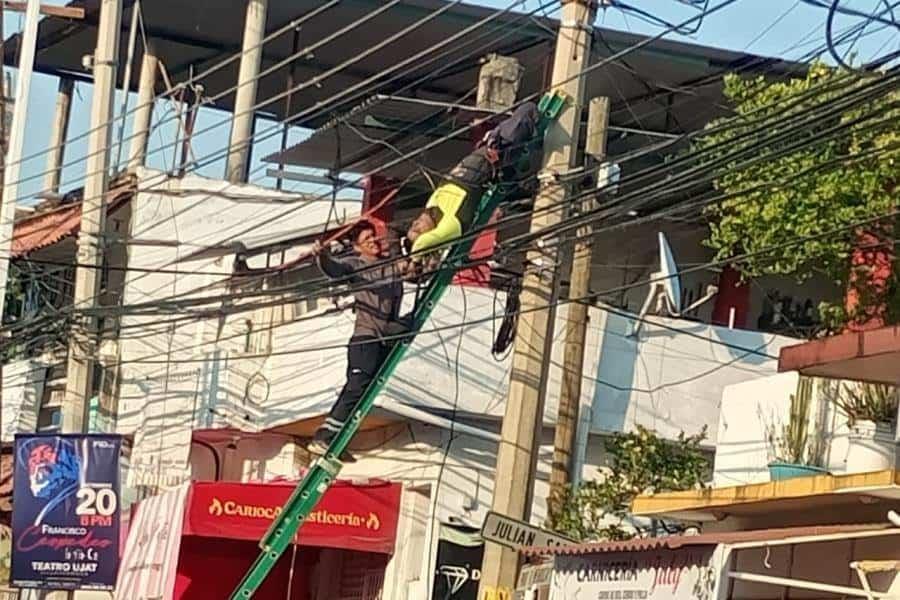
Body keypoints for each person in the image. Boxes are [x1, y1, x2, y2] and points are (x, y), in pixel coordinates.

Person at [309, 220, 407, 460]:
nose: (373, 241)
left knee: (365, 394)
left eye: (374, 237)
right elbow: (334, 269)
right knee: (356, 387)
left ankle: (337, 440)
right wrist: (321, 256)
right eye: (367, 239)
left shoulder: (391, 266)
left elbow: (412, 269)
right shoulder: (355, 265)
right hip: (366, 338)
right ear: (357, 247)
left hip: (386, 338)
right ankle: (324, 435)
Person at [404, 102, 540, 264]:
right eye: (418, 229)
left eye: (413, 226)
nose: (415, 222)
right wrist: (414, 260)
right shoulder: (450, 226)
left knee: (523, 122)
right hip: (498, 155)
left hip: (489, 147)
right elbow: (422, 244)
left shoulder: (432, 206)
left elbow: (422, 241)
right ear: (430, 237)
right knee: (528, 110)